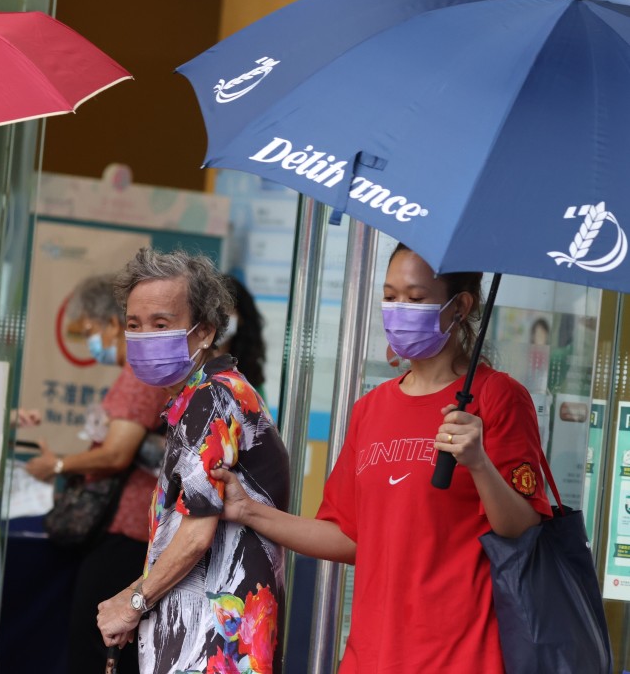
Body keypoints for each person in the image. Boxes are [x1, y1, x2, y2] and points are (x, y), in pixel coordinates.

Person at [212, 243, 553, 673]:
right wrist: (248, 510)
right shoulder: (371, 408)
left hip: (462, 657)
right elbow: (348, 536)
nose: (398, 310)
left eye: (415, 298)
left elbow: (523, 527)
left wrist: (479, 463)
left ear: (460, 306)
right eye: (390, 297)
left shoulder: (498, 397)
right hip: (370, 656)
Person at [96, 249, 290, 674]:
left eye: (161, 324)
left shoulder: (212, 399)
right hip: (201, 635)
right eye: (134, 324)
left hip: (214, 644)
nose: (144, 336)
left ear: (204, 332)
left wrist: (132, 603)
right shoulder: (198, 398)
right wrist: (134, 597)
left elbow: (196, 535)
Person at [24, 273, 170, 674]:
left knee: (97, 642)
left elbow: (117, 454)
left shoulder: (139, 375)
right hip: (131, 528)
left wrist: (59, 465)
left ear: (111, 324)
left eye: (90, 331)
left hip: (127, 529)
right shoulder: (138, 375)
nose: (91, 342)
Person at [216, 274, 266, 393]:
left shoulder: (249, 376)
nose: (216, 317)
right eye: (213, 309)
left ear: (241, 317)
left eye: (226, 309)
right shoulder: (188, 369)